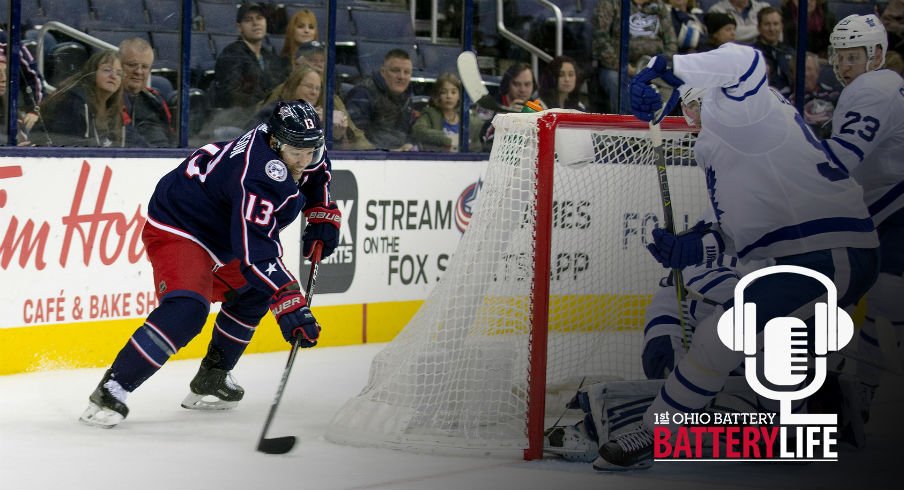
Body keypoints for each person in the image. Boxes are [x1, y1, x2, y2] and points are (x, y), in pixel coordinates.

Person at [593, 42, 880, 470]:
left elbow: (746, 60)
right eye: (684, 108)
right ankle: (800, 428)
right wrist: (693, 247)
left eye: (691, 104)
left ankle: (652, 436)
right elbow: (739, 234)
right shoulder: (723, 147)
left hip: (829, 254)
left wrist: (667, 66)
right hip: (807, 257)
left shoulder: (745, 113)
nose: (688, 118)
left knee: (723, 337)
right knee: (744, 344)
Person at [79, 99, 341, 428]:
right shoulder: (258, 175)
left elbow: (318, 174)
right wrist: (289, 298)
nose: (304, 161)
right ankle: (112, 388)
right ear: (274, 144)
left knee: (257, 291)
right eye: (296, 154)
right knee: (187, 310)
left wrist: (322, 213)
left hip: (222, 228)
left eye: (310, 151)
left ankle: (213, 377)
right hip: (181, 226)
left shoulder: (295, 143)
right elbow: (256, 251)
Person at [822, 14, 904, 428]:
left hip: (895, 206)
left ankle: (852, 385)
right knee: (859, 301)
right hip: (878, 209)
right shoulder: (873, 87)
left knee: (884, 293)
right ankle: (859, 391)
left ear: (876, 55)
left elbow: (844, 159)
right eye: (840, 57)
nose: (844, 66)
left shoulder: (876, 87)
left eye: (853, 56)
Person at [32, 50, 137, 147]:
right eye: (107, 70)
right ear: (92, 72)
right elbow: (69, 146)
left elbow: (133, 141)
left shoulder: (116, 108)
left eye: (119, 73)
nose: (113, 76)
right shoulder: (74, 101)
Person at [259, 65, 373, 150]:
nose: (313, 92)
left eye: (317, 88)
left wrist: (336, 135)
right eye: (308, 86)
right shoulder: (272, 110)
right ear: (293, 87)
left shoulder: (319, 117)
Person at [593, 0, 677, 114]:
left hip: (653, 66)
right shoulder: (611, 3)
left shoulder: (660, 6)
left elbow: (671, 43)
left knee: (674, 77)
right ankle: (628, 125)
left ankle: (664, 125)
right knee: (616, 81)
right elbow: (600, 40)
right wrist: (624, 67)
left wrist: (656, 66)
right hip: (617, 66)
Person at [211, 3, 286, 118]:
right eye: (248, 20)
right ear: (239, 27)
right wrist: (261, 105)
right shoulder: (232, 54)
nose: (255, 23)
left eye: (259, 18)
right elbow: (232, 94)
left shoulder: (270, 56)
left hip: (269, 115)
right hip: (239, 118)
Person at [344, 48, 417, 151]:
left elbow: (410, 133)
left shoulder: (407, 98)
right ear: (383, 72)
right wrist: (390, 150)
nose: (401, 76)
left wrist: (409, 144)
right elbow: (357, 136)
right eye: (395, 71)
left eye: (407, 72)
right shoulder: (363, 93)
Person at [119, 38, 175, 147]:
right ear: (119, 65)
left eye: (144, 67)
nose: (139, 72)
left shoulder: (155, 99)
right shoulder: (110, 97)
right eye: (132, 65)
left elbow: (171, 136)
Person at [412, 72, 482, 152]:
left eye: (453, 92)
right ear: (437, 95)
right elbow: (418, 131)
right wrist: (448, 139)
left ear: (459, 96)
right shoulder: (430, 114)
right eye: (444, 92)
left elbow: (476, 147)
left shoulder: (467, 119)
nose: (449, 96)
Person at [793, 52, 840, 138]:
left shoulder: (834, 95)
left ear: (817, 72)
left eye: (809, 69)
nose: (805, 74)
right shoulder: (790, 101)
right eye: (802, 69)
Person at [752, 7, 794, 96]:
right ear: (758, 28)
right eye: (767, 24)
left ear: (781, 27)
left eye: (776, 24)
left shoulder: (791, 53)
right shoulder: (751, 54)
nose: (772, 29)